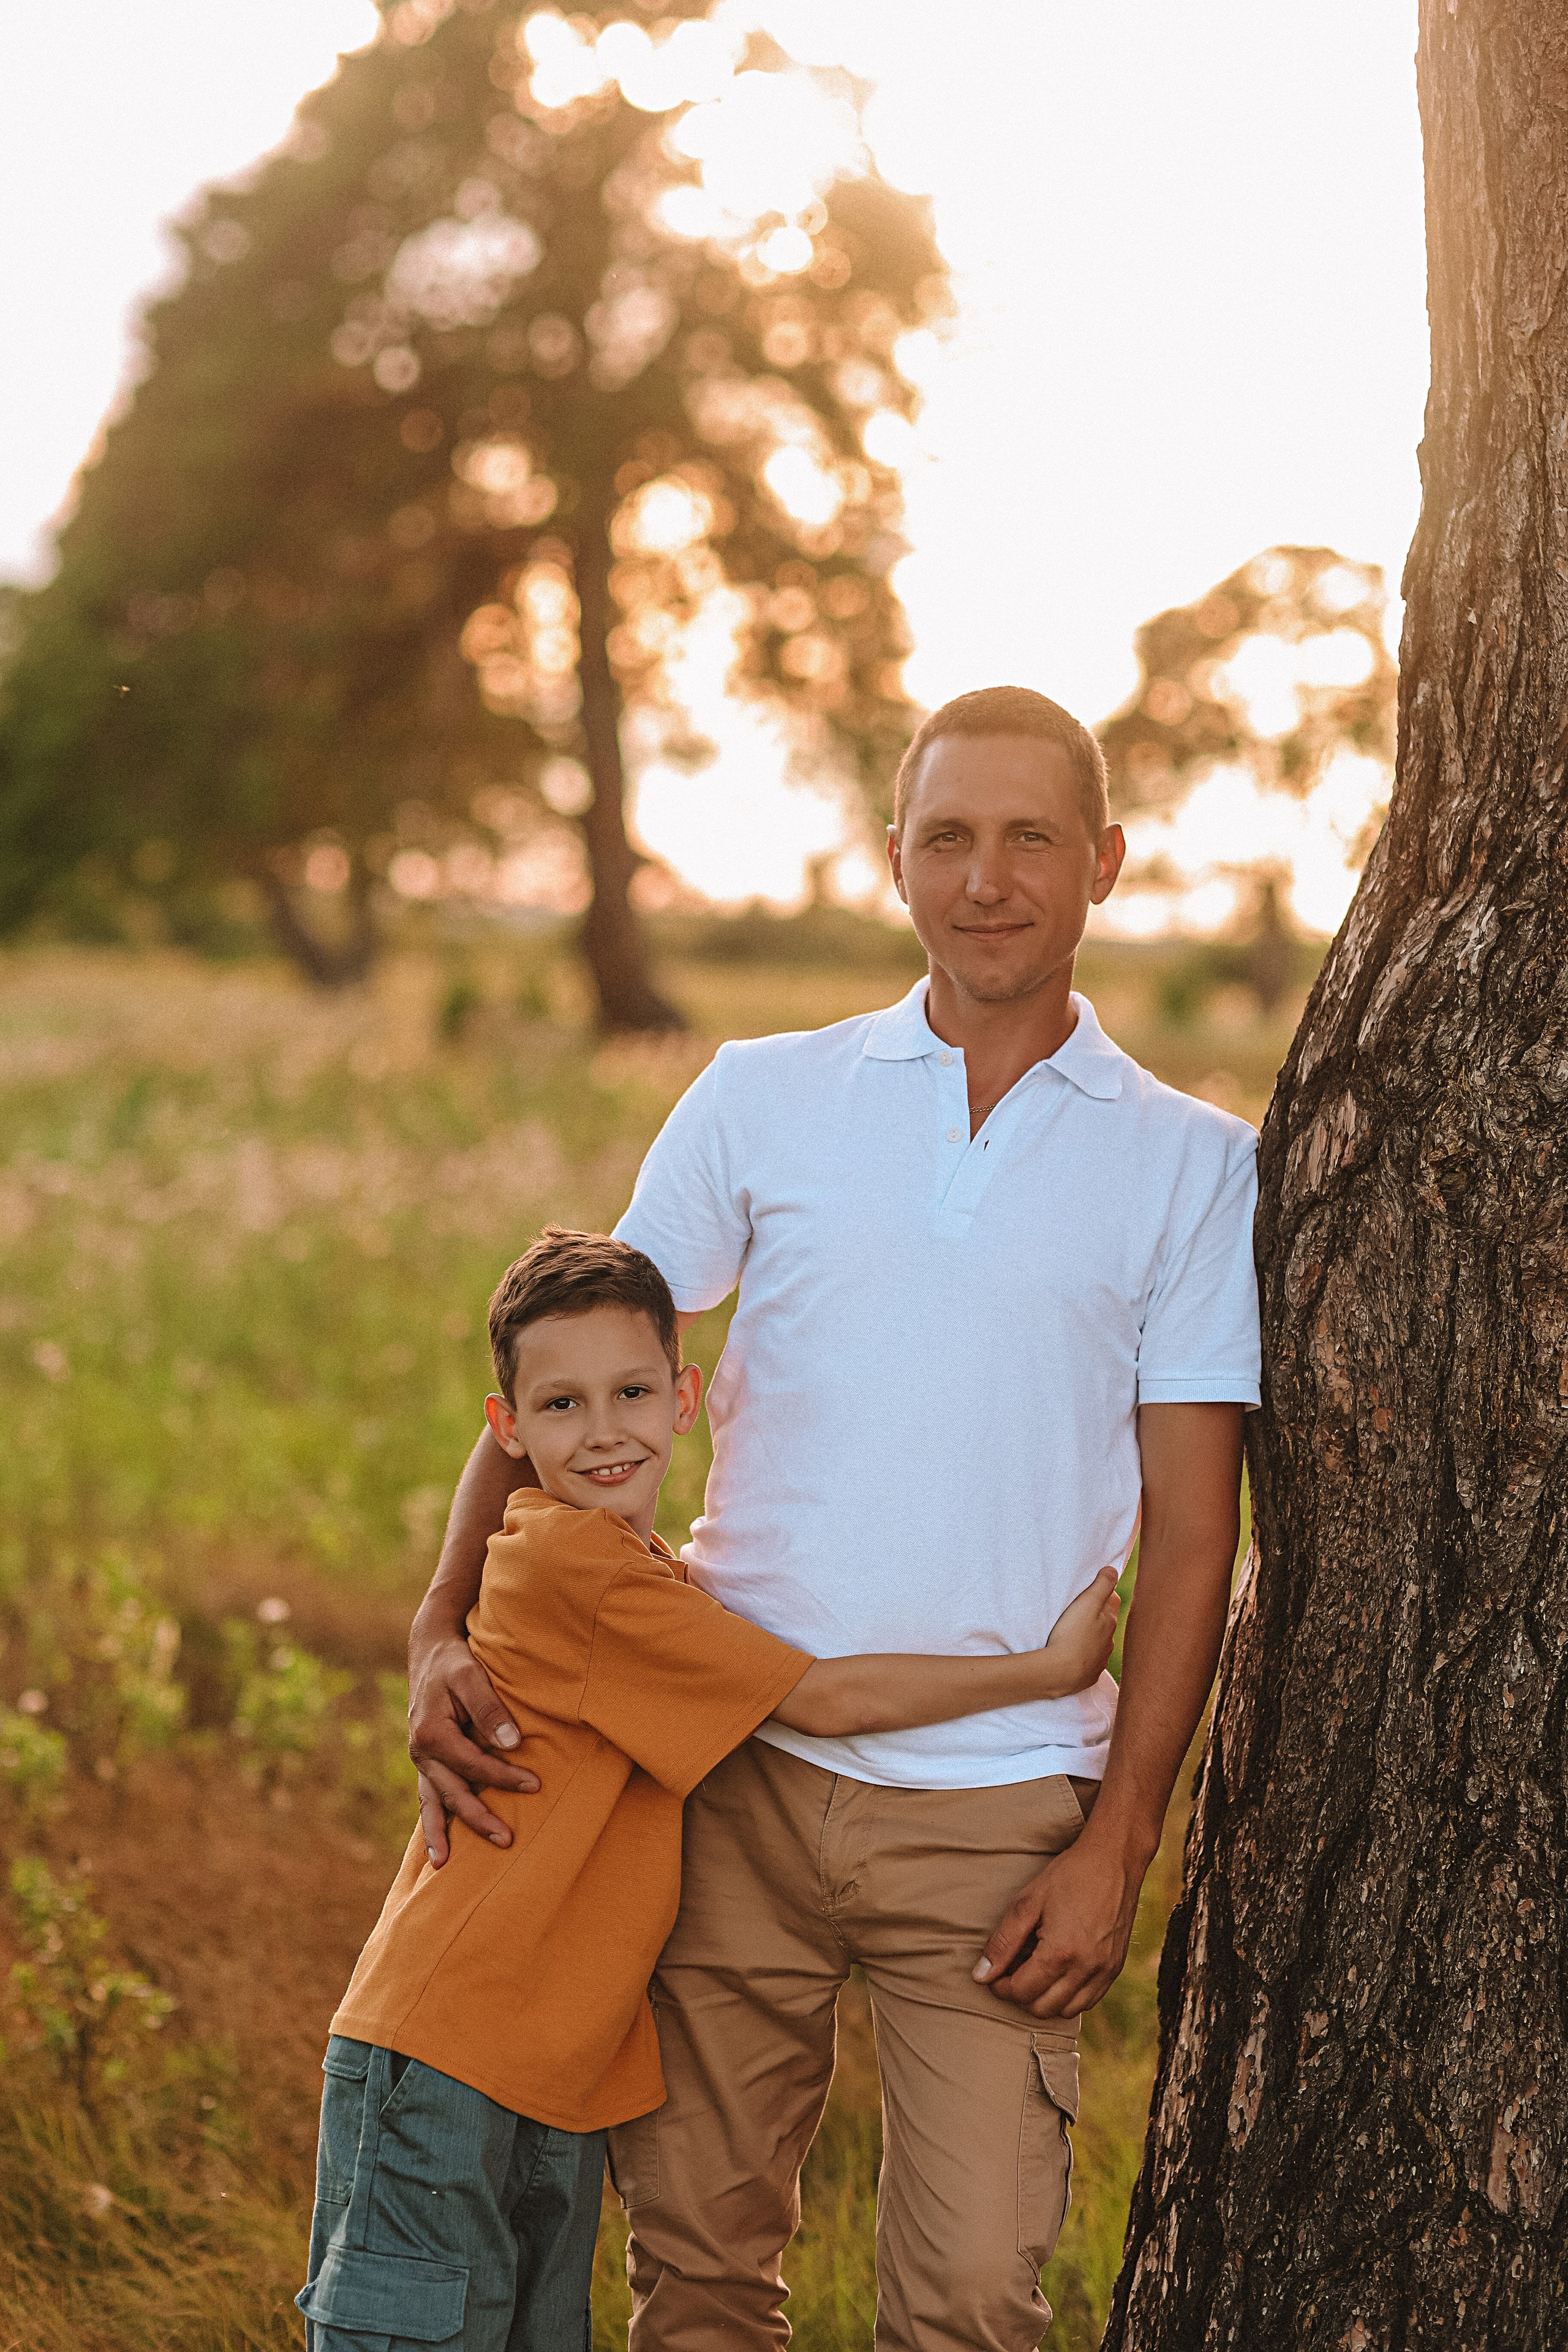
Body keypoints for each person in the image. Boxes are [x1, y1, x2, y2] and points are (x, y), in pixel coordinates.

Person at [407, 685, 1261, 2351]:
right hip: (726, 1780)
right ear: (893, 861)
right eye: (948, 837)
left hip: (999, 1824)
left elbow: (1195, 1539)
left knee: (965, 2306)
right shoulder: (762, 1094)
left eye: (1031, 839)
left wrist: (1118, 1842)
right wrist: (439, 1627)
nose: (987, 879)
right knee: (701, 2288)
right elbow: (563, 1377)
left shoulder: (1191, 1165)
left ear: (1106, 861)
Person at [300, 1226, 1121, 2352]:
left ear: (687, 1400)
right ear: (504, 1429)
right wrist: (1050, 1670)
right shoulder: (576, 1572)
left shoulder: (642, 1576)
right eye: (560, 1407)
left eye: (631, 1393)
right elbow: (829, 1701)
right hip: (450, 2055)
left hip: (550, 2071)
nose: (602, 1434)